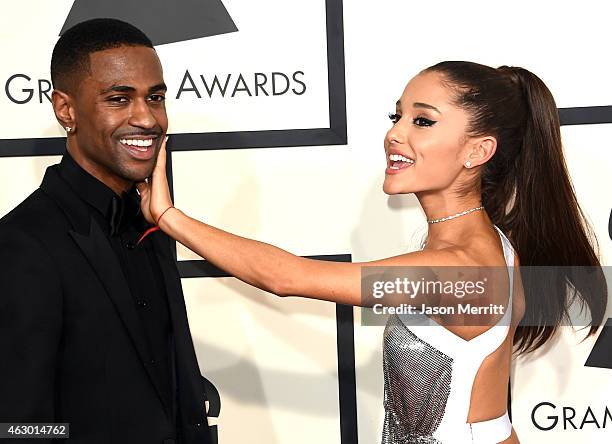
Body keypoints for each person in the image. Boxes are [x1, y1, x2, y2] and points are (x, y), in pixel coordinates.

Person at [139, 60, 607, 443]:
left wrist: (168, 216)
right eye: (396, 116)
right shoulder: (487, 245)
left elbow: (285, 277)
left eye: (422, 121)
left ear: (479, 150)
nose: (395, 134)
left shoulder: (453, 270)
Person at [0, 19, 214, 444]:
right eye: (119, 99)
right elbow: (20, 424)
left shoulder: (153, 223)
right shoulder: (23, 244)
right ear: (66, 109)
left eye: (155, 97)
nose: (147, 118)